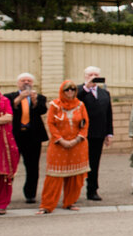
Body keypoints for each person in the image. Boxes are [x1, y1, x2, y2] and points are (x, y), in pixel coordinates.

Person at [39, 80, 90, 215]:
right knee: (54, 176)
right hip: (58, 145)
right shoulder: (55, 105)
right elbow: (51, 124)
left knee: (75, 176)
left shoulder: (80, 105)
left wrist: (77, 139)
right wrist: (61, 140)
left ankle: (70, 202)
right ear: (62, 91)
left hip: (78, 144)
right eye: (67, 90)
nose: (70, 92)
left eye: (73, 89)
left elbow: (85, 124)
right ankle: (47, 205)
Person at [7, 72, 47, 204]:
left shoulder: (40, 97)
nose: (26, 83)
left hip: (33, 136)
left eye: (29, 81)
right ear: (18, 83)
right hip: (15, 136)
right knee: (10, 166)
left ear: (33, 83)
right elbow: (9, 110)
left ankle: (30, 194)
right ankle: (4, 194)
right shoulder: (9, 97)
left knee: (32, 167)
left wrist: (34, 100)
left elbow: (42, 110)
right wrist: (19, 99)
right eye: (23, 80)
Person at [78, 66, 114, 201]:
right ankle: (74, 191)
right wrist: (87, 87)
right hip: (81, 134)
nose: (93, 77)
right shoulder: (78, 90)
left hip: (98, 134)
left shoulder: (104, 93)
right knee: (79, 163)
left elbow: (108, 113)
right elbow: (74, 101)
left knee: (94, 163)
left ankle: (92, 190)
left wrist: (109, 133)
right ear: (85, 76)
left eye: (95, 75)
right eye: (90, 74)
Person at [0, 81, 18, 215]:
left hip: (3, 144)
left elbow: (9, 117)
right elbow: (4, 117)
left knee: (2, 175)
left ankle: (1, 204)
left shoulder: (4, 100)